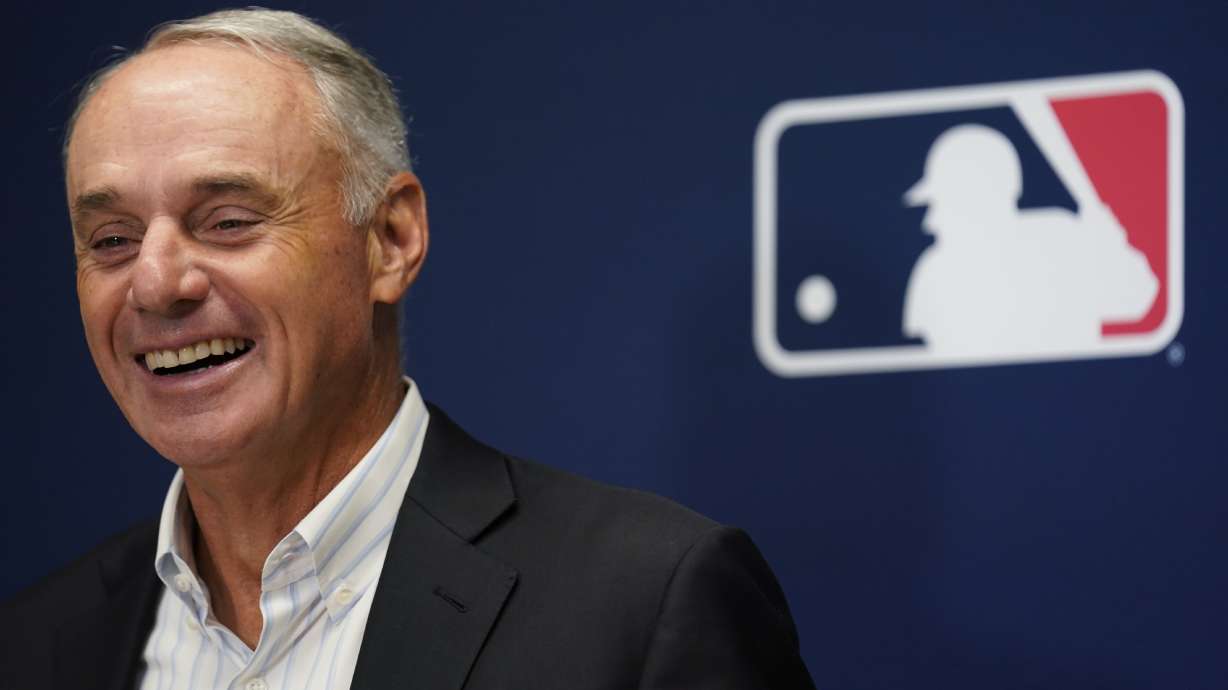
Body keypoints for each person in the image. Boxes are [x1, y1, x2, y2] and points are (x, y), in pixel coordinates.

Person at [0, 8, 814, 690]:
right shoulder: (37, 644)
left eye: (228, 221)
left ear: (390, 241)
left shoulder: (646, 603)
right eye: (111, 238)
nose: (154, 283)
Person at [902, 124, 1157, 357]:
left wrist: (1109, 249)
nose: (930, 221)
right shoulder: (936, 269)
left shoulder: (1063, 240)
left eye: (943, 203)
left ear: (978, 197)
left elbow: (1138, 298)